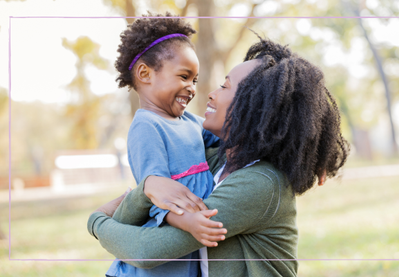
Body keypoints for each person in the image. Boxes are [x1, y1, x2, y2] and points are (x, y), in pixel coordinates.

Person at [88, 35, 350, 276]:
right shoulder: (215, 161)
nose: (209, 93)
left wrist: (97, 222)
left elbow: (146, 251)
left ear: (255, 107)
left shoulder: (260, 182)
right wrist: (147, 188)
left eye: (225, 87)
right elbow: (138, 213)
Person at [105, 12, 222, 277]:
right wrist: (188, 221)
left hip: (189, 246)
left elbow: (230, 137)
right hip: (162, 258)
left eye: (194, 79)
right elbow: (157, 193)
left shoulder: (190, 121)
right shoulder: (146, 127)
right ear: (145, 73)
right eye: (183, 76)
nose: (192, 87)